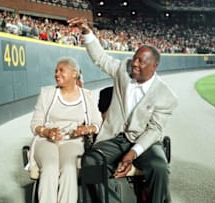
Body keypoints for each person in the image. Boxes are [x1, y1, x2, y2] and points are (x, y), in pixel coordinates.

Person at [68, 17, 178, 203]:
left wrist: (132, 153)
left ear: (154, 66)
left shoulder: (166, 96)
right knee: (91, 163)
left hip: (144, 142)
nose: (134, 63)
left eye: (141, 62)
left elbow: (154, 131)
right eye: (135, 58)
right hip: (113, 138)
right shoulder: (123, 70)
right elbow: (100, 58)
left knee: (159, 167)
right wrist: (87, 32)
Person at [29, 57, 103, 203]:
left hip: (73, 140)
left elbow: (97, 123)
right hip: (46, 140)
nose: (57, 74)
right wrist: (47, 132)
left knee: (69, 169)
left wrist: (86, 129)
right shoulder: (47, 93)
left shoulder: (86, 95)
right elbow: (35, 124)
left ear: (74, 74)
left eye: (61, 70)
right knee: (50, 167)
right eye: (56, 71)